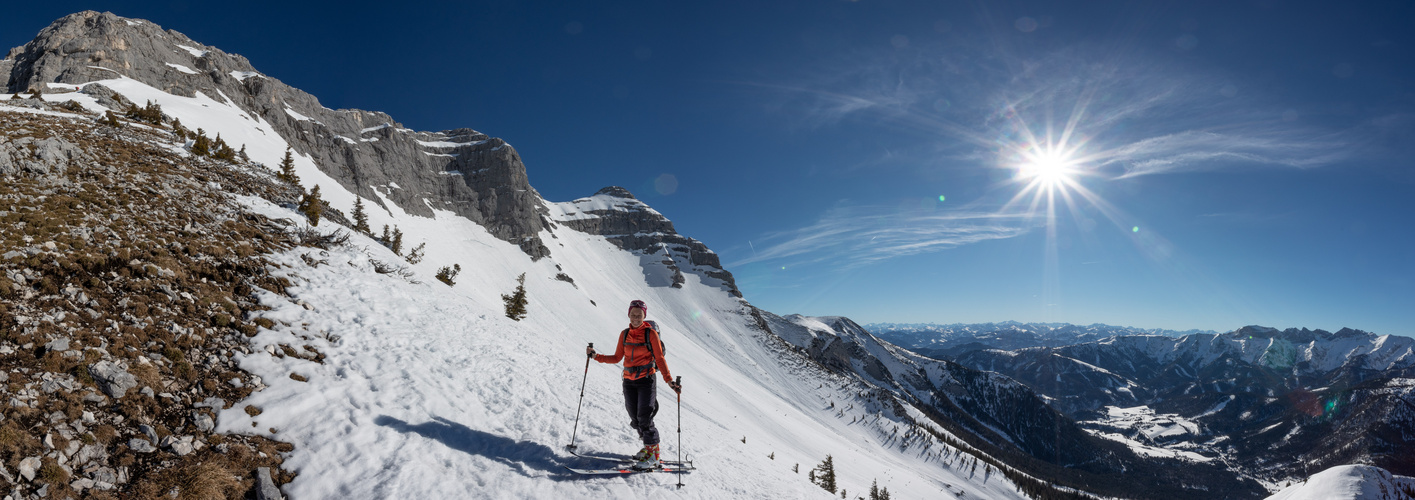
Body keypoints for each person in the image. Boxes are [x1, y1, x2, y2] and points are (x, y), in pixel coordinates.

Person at [587, 299, 682, 469]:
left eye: (639, 315)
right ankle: (647, 449)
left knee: (645, 418)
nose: (636, 318)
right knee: (635, 419)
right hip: (628, 382)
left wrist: (670, 381)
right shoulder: (624, 334)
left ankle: (654, 456)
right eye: (633, 314)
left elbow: (659, 359)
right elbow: (617, 358)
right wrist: (596, 356)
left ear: (644, 316)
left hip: (646, 380)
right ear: (629, 314)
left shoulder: (650, 334)